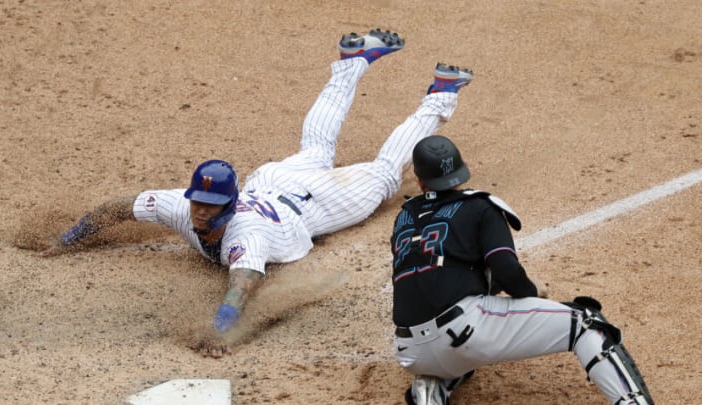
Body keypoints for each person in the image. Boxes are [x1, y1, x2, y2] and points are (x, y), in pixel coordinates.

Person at [44, 28, 474, 356]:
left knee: (382, 174)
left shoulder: (245, 238)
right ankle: (353, 61)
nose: (198, 211)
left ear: (228, 207)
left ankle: (440, 94)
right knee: (317, 147)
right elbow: (122, 208)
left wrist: (219, 330)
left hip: (311, 202)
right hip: (271, 184)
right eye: (197, 202)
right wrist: (67, 240)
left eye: (209, 206)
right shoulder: (180, 205)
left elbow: (241, 288)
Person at [389, 135, 654, 404]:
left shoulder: (404, 218)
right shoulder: (479, 207)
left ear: (420, 180)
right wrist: (530, 291)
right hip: (465, 332)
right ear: (460, 174)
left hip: (409, 351)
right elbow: (506, 270)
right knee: (586, 322)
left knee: (456, 346)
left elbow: (425, 280)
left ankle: (431, 387)